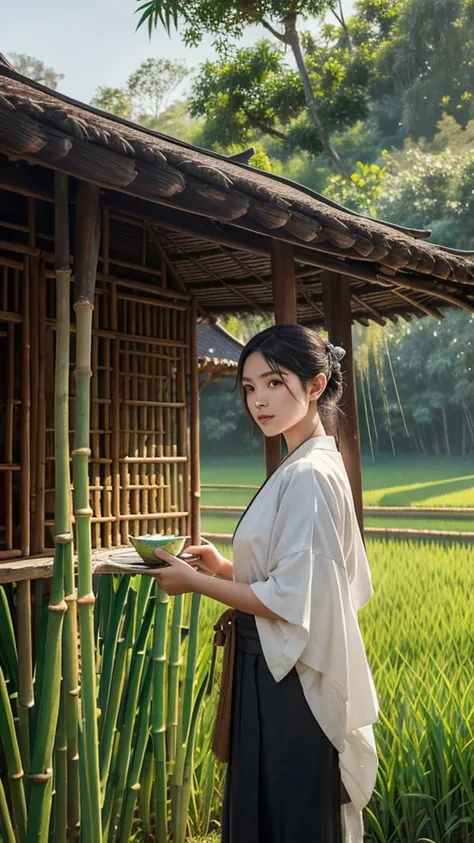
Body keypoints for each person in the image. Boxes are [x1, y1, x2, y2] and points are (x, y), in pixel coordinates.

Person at [152, 323, 379, 843]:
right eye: (250, 388)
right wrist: (221, 568)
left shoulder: (308, 475)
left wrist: (194, 583)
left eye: (274, 382)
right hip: (271, 671)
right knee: (273, 812)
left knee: (286, 818)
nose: (259, 401)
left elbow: (288, 601)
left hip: (288, 681)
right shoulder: (307, 462)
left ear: (316, 385)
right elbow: (295, 581)